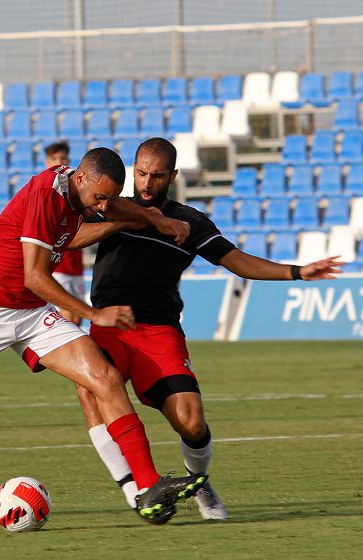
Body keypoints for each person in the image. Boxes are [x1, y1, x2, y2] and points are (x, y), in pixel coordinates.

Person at [0, 147, 209, 524]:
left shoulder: (81, 191)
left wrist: (145, 218)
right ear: (80, 178)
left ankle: (147, 488)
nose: (105, 205)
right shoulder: (46, 195)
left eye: (111, 198)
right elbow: (36, 276)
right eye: (100, 197)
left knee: (105, 378)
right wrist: (95, 315)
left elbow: (88, 226)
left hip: (30, 312)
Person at [76, 137, 343, 520]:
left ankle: (198, 484)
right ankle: (136, 490)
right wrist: (126, 219)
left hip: (158, 330)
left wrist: (297, 272)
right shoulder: (109, 206)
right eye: (141, 174)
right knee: (91, 387)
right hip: (110, 322)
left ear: (174, 176)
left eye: (157, 176)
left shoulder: (191, 222)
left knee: (191, 420)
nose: (147, 184)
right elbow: (69, 240)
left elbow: (237, 261)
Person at [44, 141, 86, 325]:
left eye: (63, 158)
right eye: (55, 158)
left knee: (76, 319)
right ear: (47, 161)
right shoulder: (46, 190)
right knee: (68, 314)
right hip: (58, 265)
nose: (59, 162)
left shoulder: (73, 190)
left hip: (75, 265)